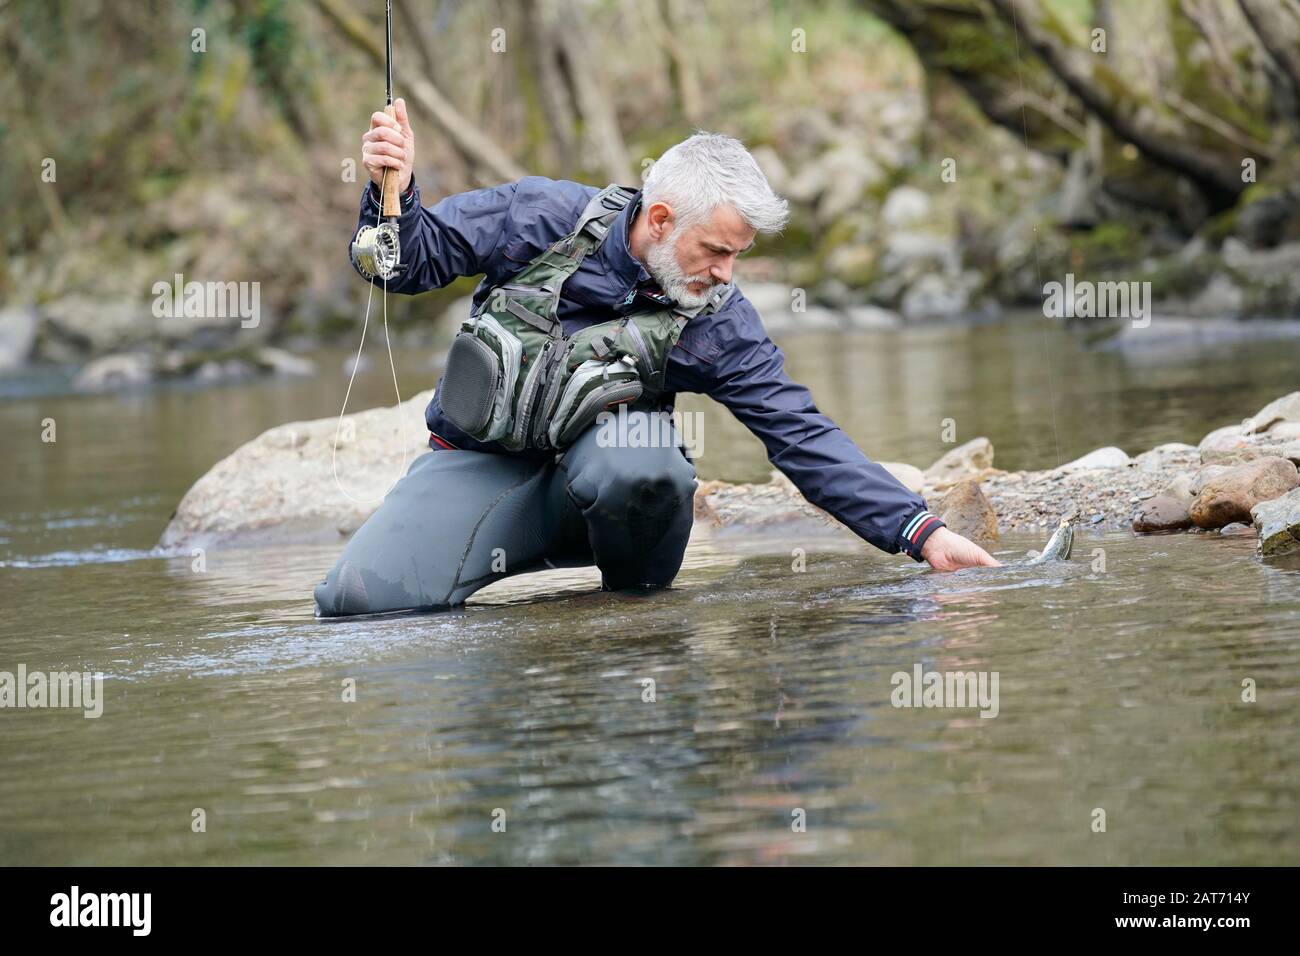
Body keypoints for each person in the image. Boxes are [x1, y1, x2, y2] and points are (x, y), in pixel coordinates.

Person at [314, 100, 999, 617]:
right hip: (479, 471)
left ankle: (632, 620)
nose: (728, 273)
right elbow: (406, 265)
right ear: (662, 218)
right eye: (718, 250)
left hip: (613, 505)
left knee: (637, 456)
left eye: (739, 255)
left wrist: (922, 532)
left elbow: (800, 435)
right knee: (354, 601)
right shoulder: (540, 217)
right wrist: (390, 192)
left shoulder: (717, 319)